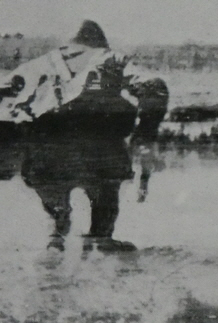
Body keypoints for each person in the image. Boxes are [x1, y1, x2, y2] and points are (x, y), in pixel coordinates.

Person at [0, 20, 169, 252]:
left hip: (46, 153)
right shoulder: (112, 59)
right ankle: (100, 239)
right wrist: (145, 134)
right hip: (99, 152)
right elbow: (154, 86)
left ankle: (57, 235)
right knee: (105, 200)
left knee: (56, 209)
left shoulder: (37, 65)